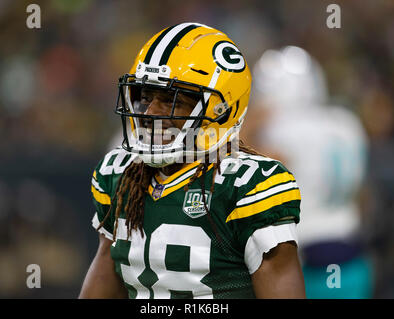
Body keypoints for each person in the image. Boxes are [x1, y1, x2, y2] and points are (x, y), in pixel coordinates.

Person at [79, 23, 305, 299]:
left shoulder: (247, 185)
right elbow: (104, 277)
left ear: (220, 111)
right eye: (145, 97)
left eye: (171, 100)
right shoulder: (119, 175)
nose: (150, 113)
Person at [243, 46, 374, 298]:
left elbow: (233, 160)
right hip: (353, 254)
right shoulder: (347, 122)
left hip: (307, 261)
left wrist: (248, 125)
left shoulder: (280, 131)